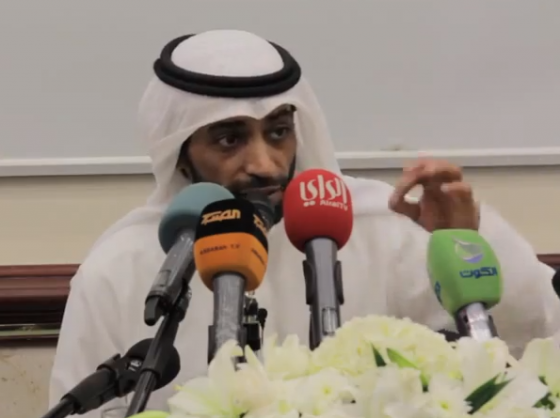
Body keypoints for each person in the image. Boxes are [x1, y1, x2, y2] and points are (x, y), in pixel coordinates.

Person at [49, 29, 560, 416]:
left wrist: (465, 237)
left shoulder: (376, 224)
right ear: (180, 153)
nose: (264, 163)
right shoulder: (123, 267)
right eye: (229, 139)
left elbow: (532, 334)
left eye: (278, 132)